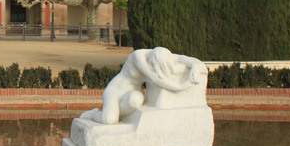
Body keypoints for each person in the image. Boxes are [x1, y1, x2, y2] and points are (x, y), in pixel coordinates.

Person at [79, 47, 207, 124]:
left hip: (132, 92)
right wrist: (182, 86)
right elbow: (154, 79)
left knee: (136, 100)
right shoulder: (137, 56)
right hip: (116, 90)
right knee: (109, 120)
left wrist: (195, 66)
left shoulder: (161, 54)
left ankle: (116, 113)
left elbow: (182, 58)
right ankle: (94, 114)